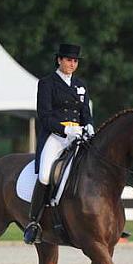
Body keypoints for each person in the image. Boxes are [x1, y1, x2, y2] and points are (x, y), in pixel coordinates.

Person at [23, 43, 95, 244]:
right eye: (69, 60)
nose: (72, 64)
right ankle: (34, 223)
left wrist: (88, 126)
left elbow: (85, 113)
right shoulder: (47, 83)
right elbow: (44, 116)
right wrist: (66, 129)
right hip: (56, 136)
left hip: (78, 136)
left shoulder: (80, 85)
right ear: (59, 60)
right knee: (46, 175)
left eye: (75, 61)